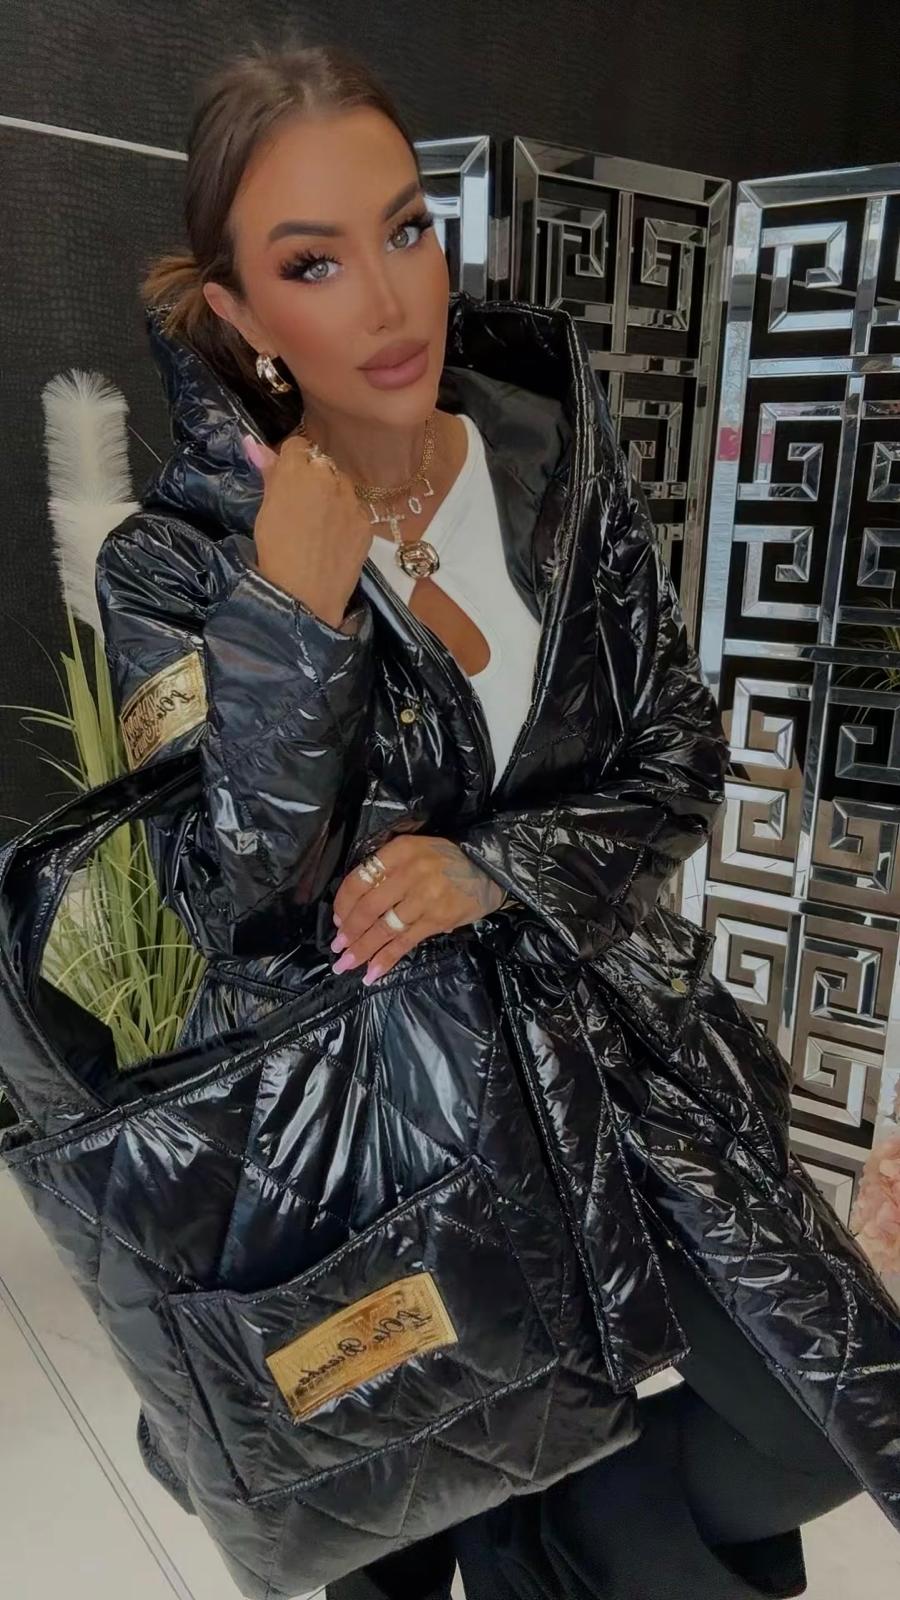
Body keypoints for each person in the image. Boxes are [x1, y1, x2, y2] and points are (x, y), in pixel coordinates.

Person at [94, 39, 900, 1600]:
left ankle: (565, 1529)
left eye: (405, 228)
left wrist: (500, 868)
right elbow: (230, 901)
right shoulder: (176, 566)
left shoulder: (547, 446)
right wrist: (293, 619)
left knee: (820, 1422)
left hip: (624, 1061)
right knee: (395, 1524)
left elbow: (676, 745)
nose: (391, 299)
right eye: (314, 262)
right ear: (239, 313)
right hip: (386, 1135)